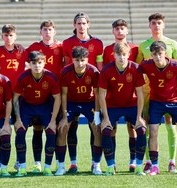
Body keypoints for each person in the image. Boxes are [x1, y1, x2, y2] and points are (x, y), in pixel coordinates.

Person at [136, 13, 177, 173]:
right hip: (149, 93)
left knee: (170, 125)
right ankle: (150, 161)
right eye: (153, 23)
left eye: (159, 23)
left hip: (170, 93)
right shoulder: (143, 45)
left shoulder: (172, 44)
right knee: (150, 126)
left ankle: (172, 161)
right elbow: (137, 68)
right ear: (149, 26)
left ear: (163, 25)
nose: (156, 25)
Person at [13, 20, 64, 173]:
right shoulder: (33, 48)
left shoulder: (61, 47)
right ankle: (24, 164)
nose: (47, 32)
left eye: (50, 30)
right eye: (45, 30)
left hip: (51, 95)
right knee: (27, 129)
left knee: (54, 129)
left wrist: (54, 119)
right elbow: (21, 56)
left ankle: (52, 165)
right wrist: (18, 47)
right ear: (40, 32)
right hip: (29, 101)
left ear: (54, 32)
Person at [138, 41, 177, 176]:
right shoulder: (146, 65)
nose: (158, 57)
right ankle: (155, 166)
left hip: (175, 102)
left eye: (160, 54)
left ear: (165, 53)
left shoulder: (176, 65)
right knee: (153, 132)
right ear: (151, 55)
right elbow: (135, 71)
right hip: (156, 102)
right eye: (155, 54)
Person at [62, 12, 104, 173]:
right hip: (72, 92)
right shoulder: (67, 43)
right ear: (74, 25)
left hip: (91, 94)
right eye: (78, 23)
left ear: (88, 24)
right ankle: (73, 162)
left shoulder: (98, 43)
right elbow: (66, 66)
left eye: (83, 23)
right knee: (70, 128)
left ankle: (95, 163)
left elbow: (99, 67)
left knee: (95, 127)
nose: (81, 26)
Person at [98, 42, 146, 176]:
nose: (121, 57)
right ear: (114, 55)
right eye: (119, 54)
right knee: (106, 129)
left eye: (124, 54)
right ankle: (110, 166)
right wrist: (106, 118)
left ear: (129, 55)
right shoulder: (107, 70)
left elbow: (140, 93)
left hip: (131, 105)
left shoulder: (136, 69)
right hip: (112, 106)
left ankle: (138, 166)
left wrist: (139, 117)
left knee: (141, 129)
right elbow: (101, 95)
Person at [55, 46, 102, 175]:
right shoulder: (65, 71)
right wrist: (64, 116)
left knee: (97, 129)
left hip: (89, 102)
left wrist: (97, 114)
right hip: (71, 102)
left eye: (82, 60)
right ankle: (61, 166)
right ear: (72, 60)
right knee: (62, 128)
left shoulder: (94, 71)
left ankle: (96, 165)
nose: (80, 63)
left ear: (87, 59)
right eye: (77, 60)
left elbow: (97, 94)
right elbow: (63, 94)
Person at [102, 19, 138, 172]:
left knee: (133, 128)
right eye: (117, 28)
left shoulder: (135, 48)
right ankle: (112, 163)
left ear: (127, 31)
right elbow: (105, 71)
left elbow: (138, 70)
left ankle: (133, 161)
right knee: (112, 129)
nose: (119, 31)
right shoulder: (107, 49)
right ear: (113, 31)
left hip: (131, 96)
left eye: (122, 28)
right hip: (112, 98)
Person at [0, 24, 26, 174]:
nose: (8, 38)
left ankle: (19, 162)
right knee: (0, 131)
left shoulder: (23, 51)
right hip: (1, 96)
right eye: (6, 35)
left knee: (19, 128)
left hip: (19, 96)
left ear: (15, 36)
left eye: (11, 35)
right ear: (2, 36)